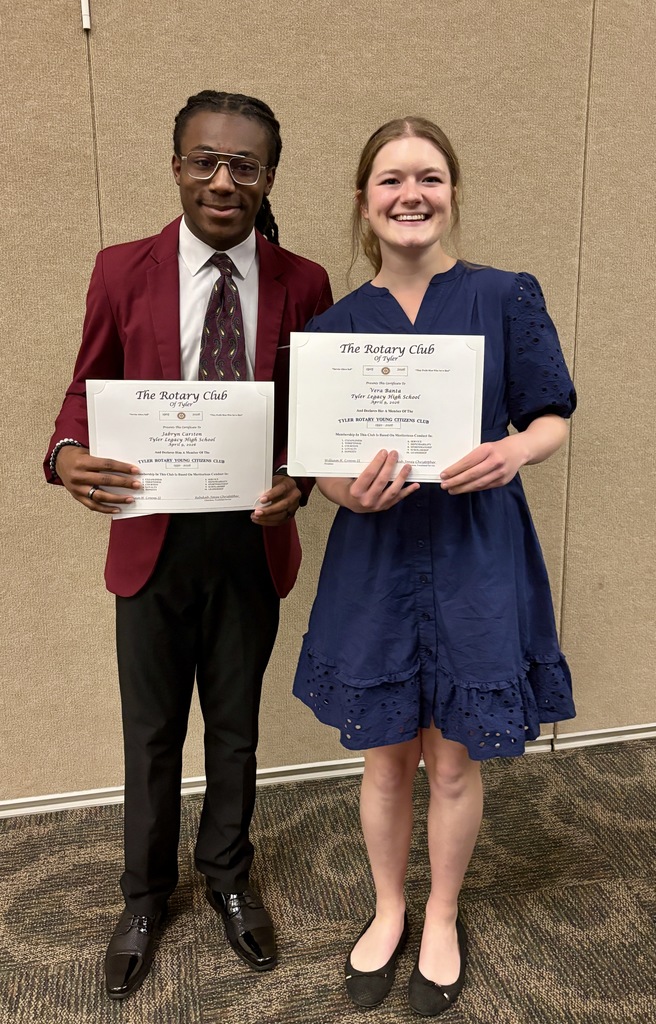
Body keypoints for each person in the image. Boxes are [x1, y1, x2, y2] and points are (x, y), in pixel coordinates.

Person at [44, 89, 332, 1000]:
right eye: (205, 160)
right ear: (175, 166)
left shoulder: (305, 281)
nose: (223, 179)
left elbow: (314, 416)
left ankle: (230, 880)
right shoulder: (121, 269)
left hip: (251, 543)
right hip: (152, 543)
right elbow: (84, 388)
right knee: (151, 734)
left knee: (237, 732)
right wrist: (66, 455)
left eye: (244, 165)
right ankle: (144, 896)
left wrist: (305, 478)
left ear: (268, 178)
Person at [292, 117, 576, 1017]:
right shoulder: (334, 326)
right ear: (364, 201)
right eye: (389, 180)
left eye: (429, 177)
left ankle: (442, 916)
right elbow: (320, 460)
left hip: (477, 552)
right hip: (375, 560)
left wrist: (518, 452)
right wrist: (345, 492)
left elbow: (553, 414)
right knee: (384, 764)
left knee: (453, 764)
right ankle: (388, 909)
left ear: (453, 191)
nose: (410, 194)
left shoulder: (504, 295)